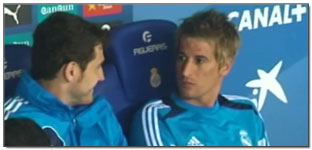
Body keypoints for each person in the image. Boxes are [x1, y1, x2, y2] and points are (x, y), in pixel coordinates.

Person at [129, 9, 269, 146]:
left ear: (225, 67)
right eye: (181, 58)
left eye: (199, 60)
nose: (185, 71)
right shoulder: (158, 117)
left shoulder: (246, 110)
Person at [4, 12, 127, 146]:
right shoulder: (13, 127)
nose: (102, 77)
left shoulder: (100, 110)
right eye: (97, 67)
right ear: (71, 72)